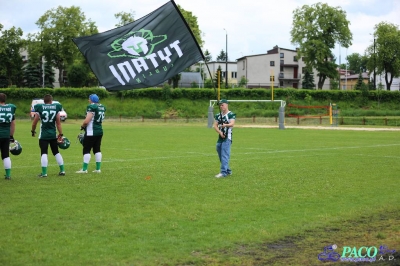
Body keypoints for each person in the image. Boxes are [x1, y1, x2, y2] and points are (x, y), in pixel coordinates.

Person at [31, 94, 65, 177]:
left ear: (44, 101)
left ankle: (44, 173)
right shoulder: (56, 107)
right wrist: (60, 134)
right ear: (51, 101)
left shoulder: (40, 107)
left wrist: (33, 131)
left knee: (44, 153)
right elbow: (58, 123)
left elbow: (35, 122)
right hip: (53, 134)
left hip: (43, 135)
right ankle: (62, 170)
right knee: (56, 152)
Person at [76, 94, 106, 173]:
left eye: (89, 99)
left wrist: (82, 126)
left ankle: (84, 169)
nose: (88, 100)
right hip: (99, 131)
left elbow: (87, 121)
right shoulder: (102, 106)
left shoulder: (92, 107)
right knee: (97, 149)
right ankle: (98, 168)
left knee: (86, 149)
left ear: (92, 100)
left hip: (91, 131)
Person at [213, 99, 236, 178]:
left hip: (227, 138)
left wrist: (225, 125)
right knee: (219, 152)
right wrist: (220, 132)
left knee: (224, 155)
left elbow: (232, 124)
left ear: (226, 105)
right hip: (220, 137)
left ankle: (223, 172)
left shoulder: (231, 114)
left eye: (222, 105)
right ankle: (228, 170)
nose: (221, 106)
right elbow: (215, 125)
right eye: (220, 105)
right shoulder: (218, 115)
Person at [0, 93, 16, 180]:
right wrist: (11, 135)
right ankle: (8, 175)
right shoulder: (11, 108)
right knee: (6, 155)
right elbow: (13, 124)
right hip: (6, 135)